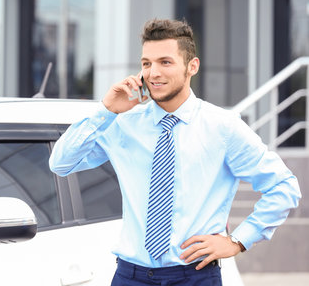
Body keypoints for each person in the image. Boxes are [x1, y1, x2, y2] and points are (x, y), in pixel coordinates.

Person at [49, 18, 301, 286]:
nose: (153, 73)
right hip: (130, 276)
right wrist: (106, 109)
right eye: (146, 63)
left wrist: (238, 241)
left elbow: (284, 187)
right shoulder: (123, 123)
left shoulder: (223, 127)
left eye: (165, 62)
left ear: (192, 66)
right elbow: (61, 164)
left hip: (195, 276)